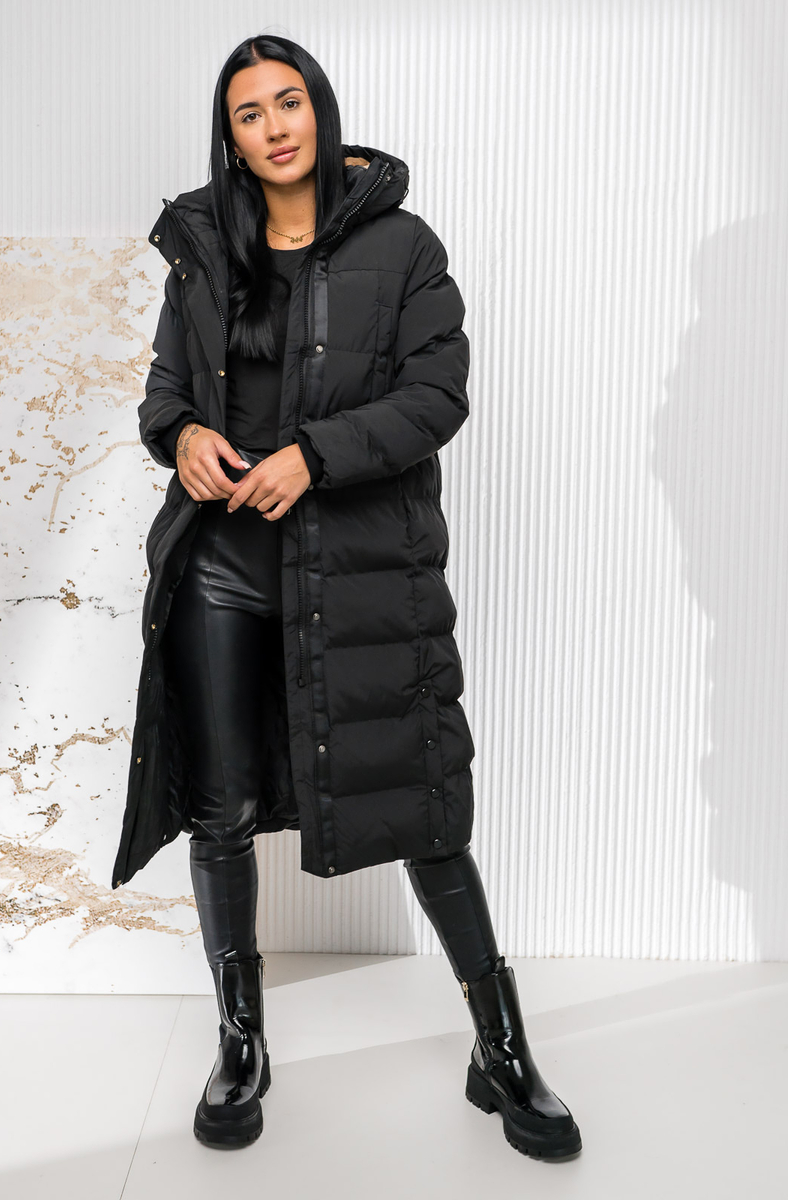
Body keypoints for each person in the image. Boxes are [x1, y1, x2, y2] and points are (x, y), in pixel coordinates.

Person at [112, 34, 581, 1159]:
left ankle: (501, 1045)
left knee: (422, 804)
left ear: (320, 111)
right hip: (222, 566)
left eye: (289, 102)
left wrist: (312, 457)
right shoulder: (204, 248)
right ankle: (241, 1039)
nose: (274, 127)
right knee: (221, 809)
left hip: (360, 566)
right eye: (248, 114)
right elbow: (164, 393)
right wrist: (183, 438)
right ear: (229, 138)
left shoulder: (401, 244)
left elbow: (438, 395)